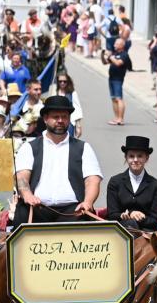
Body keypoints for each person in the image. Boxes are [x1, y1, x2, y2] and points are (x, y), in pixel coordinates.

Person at [13, 96, 103, 226]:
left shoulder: (84, 148)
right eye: (56, 117)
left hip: (73, 211)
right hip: (37, 208)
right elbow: (21, 177)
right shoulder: (29, 147)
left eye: (64, 117)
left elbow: (92, 180)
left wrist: (88, 202)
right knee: (22, 214)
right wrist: (27, 195)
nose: (60, 121)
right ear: (45, 119)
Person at [105, 136, 157, 231]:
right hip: (122, 231)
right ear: (126, 157)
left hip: (146, 233)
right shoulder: (115, 181)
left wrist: (140, 218)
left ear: (146, 158)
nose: (135, 160)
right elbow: (112, 214)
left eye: (140, 156)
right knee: (129, 224)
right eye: (131, 156)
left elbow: (155, 219)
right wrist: (129, 214)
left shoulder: (155, 184)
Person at [106, 38, 131, 126]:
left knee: (119, 98)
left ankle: (121, 118)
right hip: (111, 78)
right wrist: (104, 56)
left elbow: (118, 63)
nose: (114, 45)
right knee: (113, 98)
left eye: (116, 44)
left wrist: (110, 57)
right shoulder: (114, 53)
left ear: (121, 45)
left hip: (118, 79)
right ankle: (116, 118)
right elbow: (106, 62)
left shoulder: (124, 54)